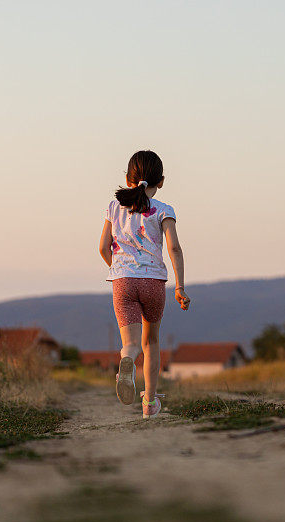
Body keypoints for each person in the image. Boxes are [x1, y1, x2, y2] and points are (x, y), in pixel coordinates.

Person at [98, 150, 190, 419]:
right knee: (151, 342)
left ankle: (126, 359)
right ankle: (149, 403)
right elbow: (174, 247)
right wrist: (180, 287)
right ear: (160, 181)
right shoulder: (164, 210)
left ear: (128, 178)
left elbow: (103, 248)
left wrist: (120, 270)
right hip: (153, 283)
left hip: (123, 281)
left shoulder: (114, 207)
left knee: (132, 344)